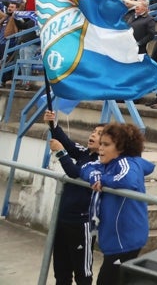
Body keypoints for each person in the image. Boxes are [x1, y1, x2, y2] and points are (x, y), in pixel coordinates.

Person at [84, 123, 155, 285]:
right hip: (113, 239)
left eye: (106, 144)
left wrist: (103, 180)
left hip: (126, 239)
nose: (100, 148)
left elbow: (128, 179)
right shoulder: (106, 163)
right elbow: (86, 168)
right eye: (101, 143)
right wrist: (94, 175)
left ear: (122, 148)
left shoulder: (128, 163)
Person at [45, 110, 103, 285]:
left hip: (82, 223)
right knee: (61, 271)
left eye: (99, 134)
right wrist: (52, 124)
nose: (93, 134)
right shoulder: (86, 153)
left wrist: (61, 154)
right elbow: (69, 145)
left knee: (82, 274)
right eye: (94, 131)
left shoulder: (103, 163)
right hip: (63, 219)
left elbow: (75, 172)